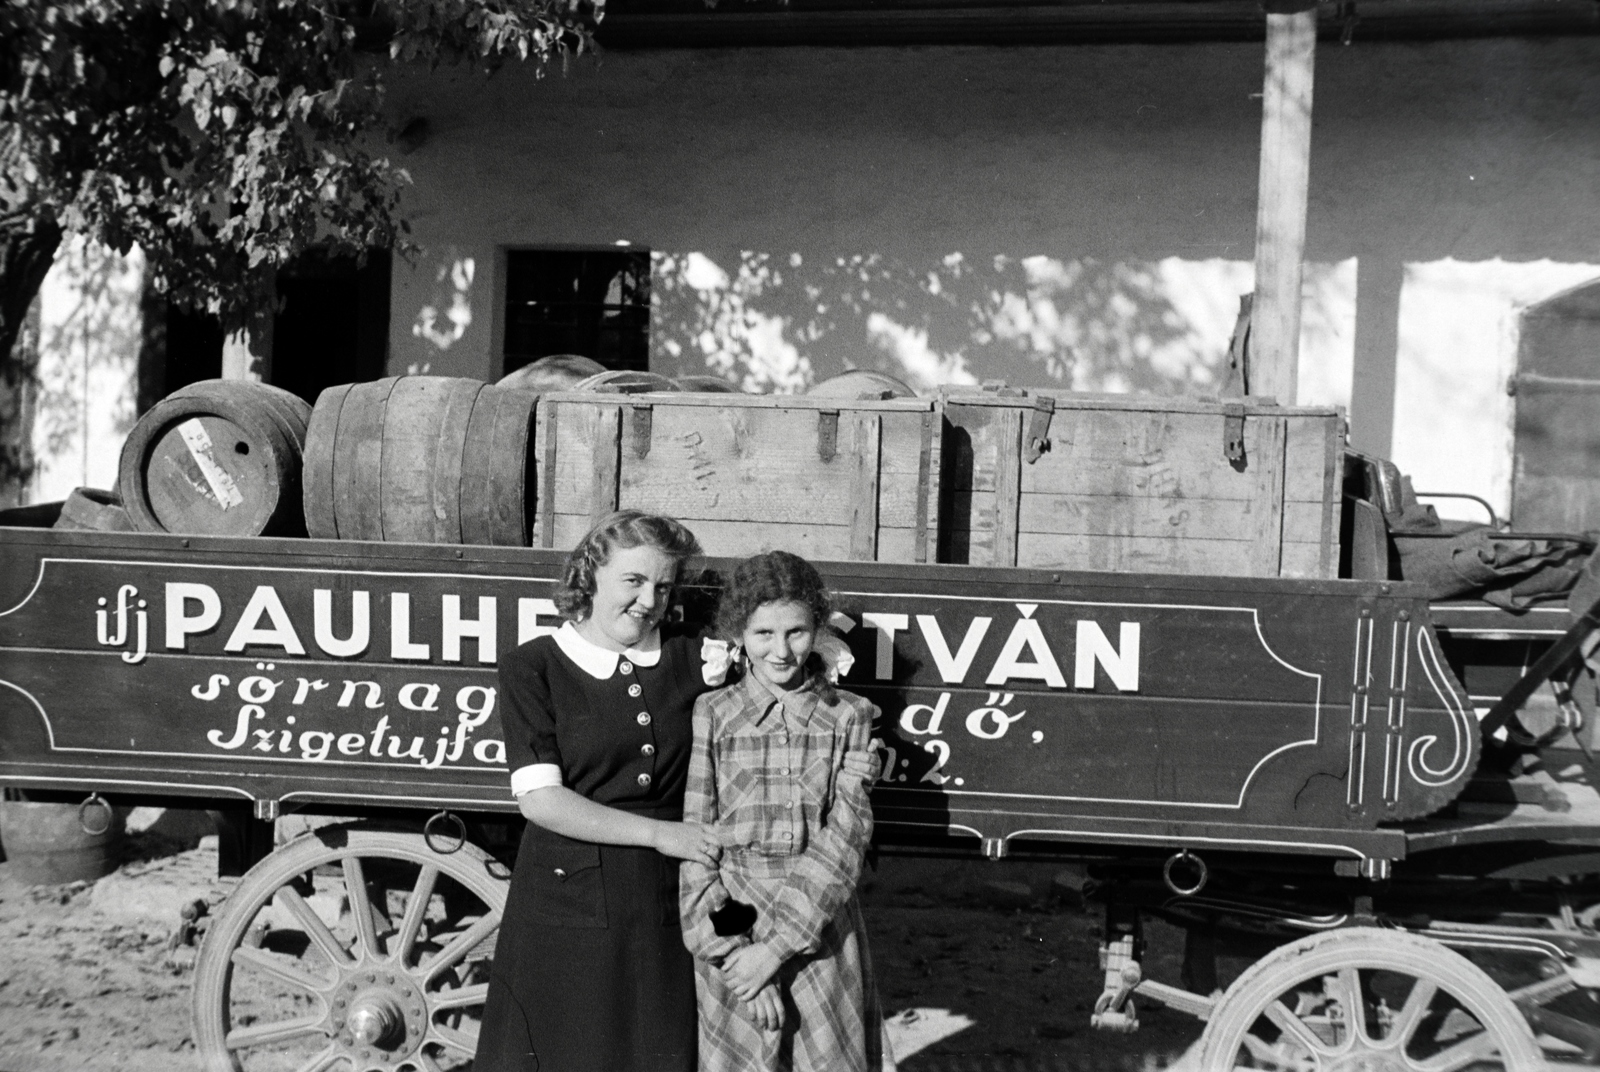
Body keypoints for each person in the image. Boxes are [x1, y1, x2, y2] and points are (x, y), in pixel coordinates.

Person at [475, 510, 718, 1072]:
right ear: (590, 575)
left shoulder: (692, 657)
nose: (648, 601)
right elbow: (542, 801)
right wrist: (661, 833)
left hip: (664, 903)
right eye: (632, 582)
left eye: (662, 586)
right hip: (565, 906)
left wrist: (825, 646)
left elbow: (780, 631)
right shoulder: (532, 667)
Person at [679, 550, 887, 1072]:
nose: (781, 651)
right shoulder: (714, 714)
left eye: (795, 632)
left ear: (817, 629)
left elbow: (844, 837)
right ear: (737, 635)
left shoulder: (849, 717)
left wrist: (777, 949)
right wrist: (736, 955)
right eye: (763, 634)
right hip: (736, 928)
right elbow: (698, 844)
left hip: (820, 926)